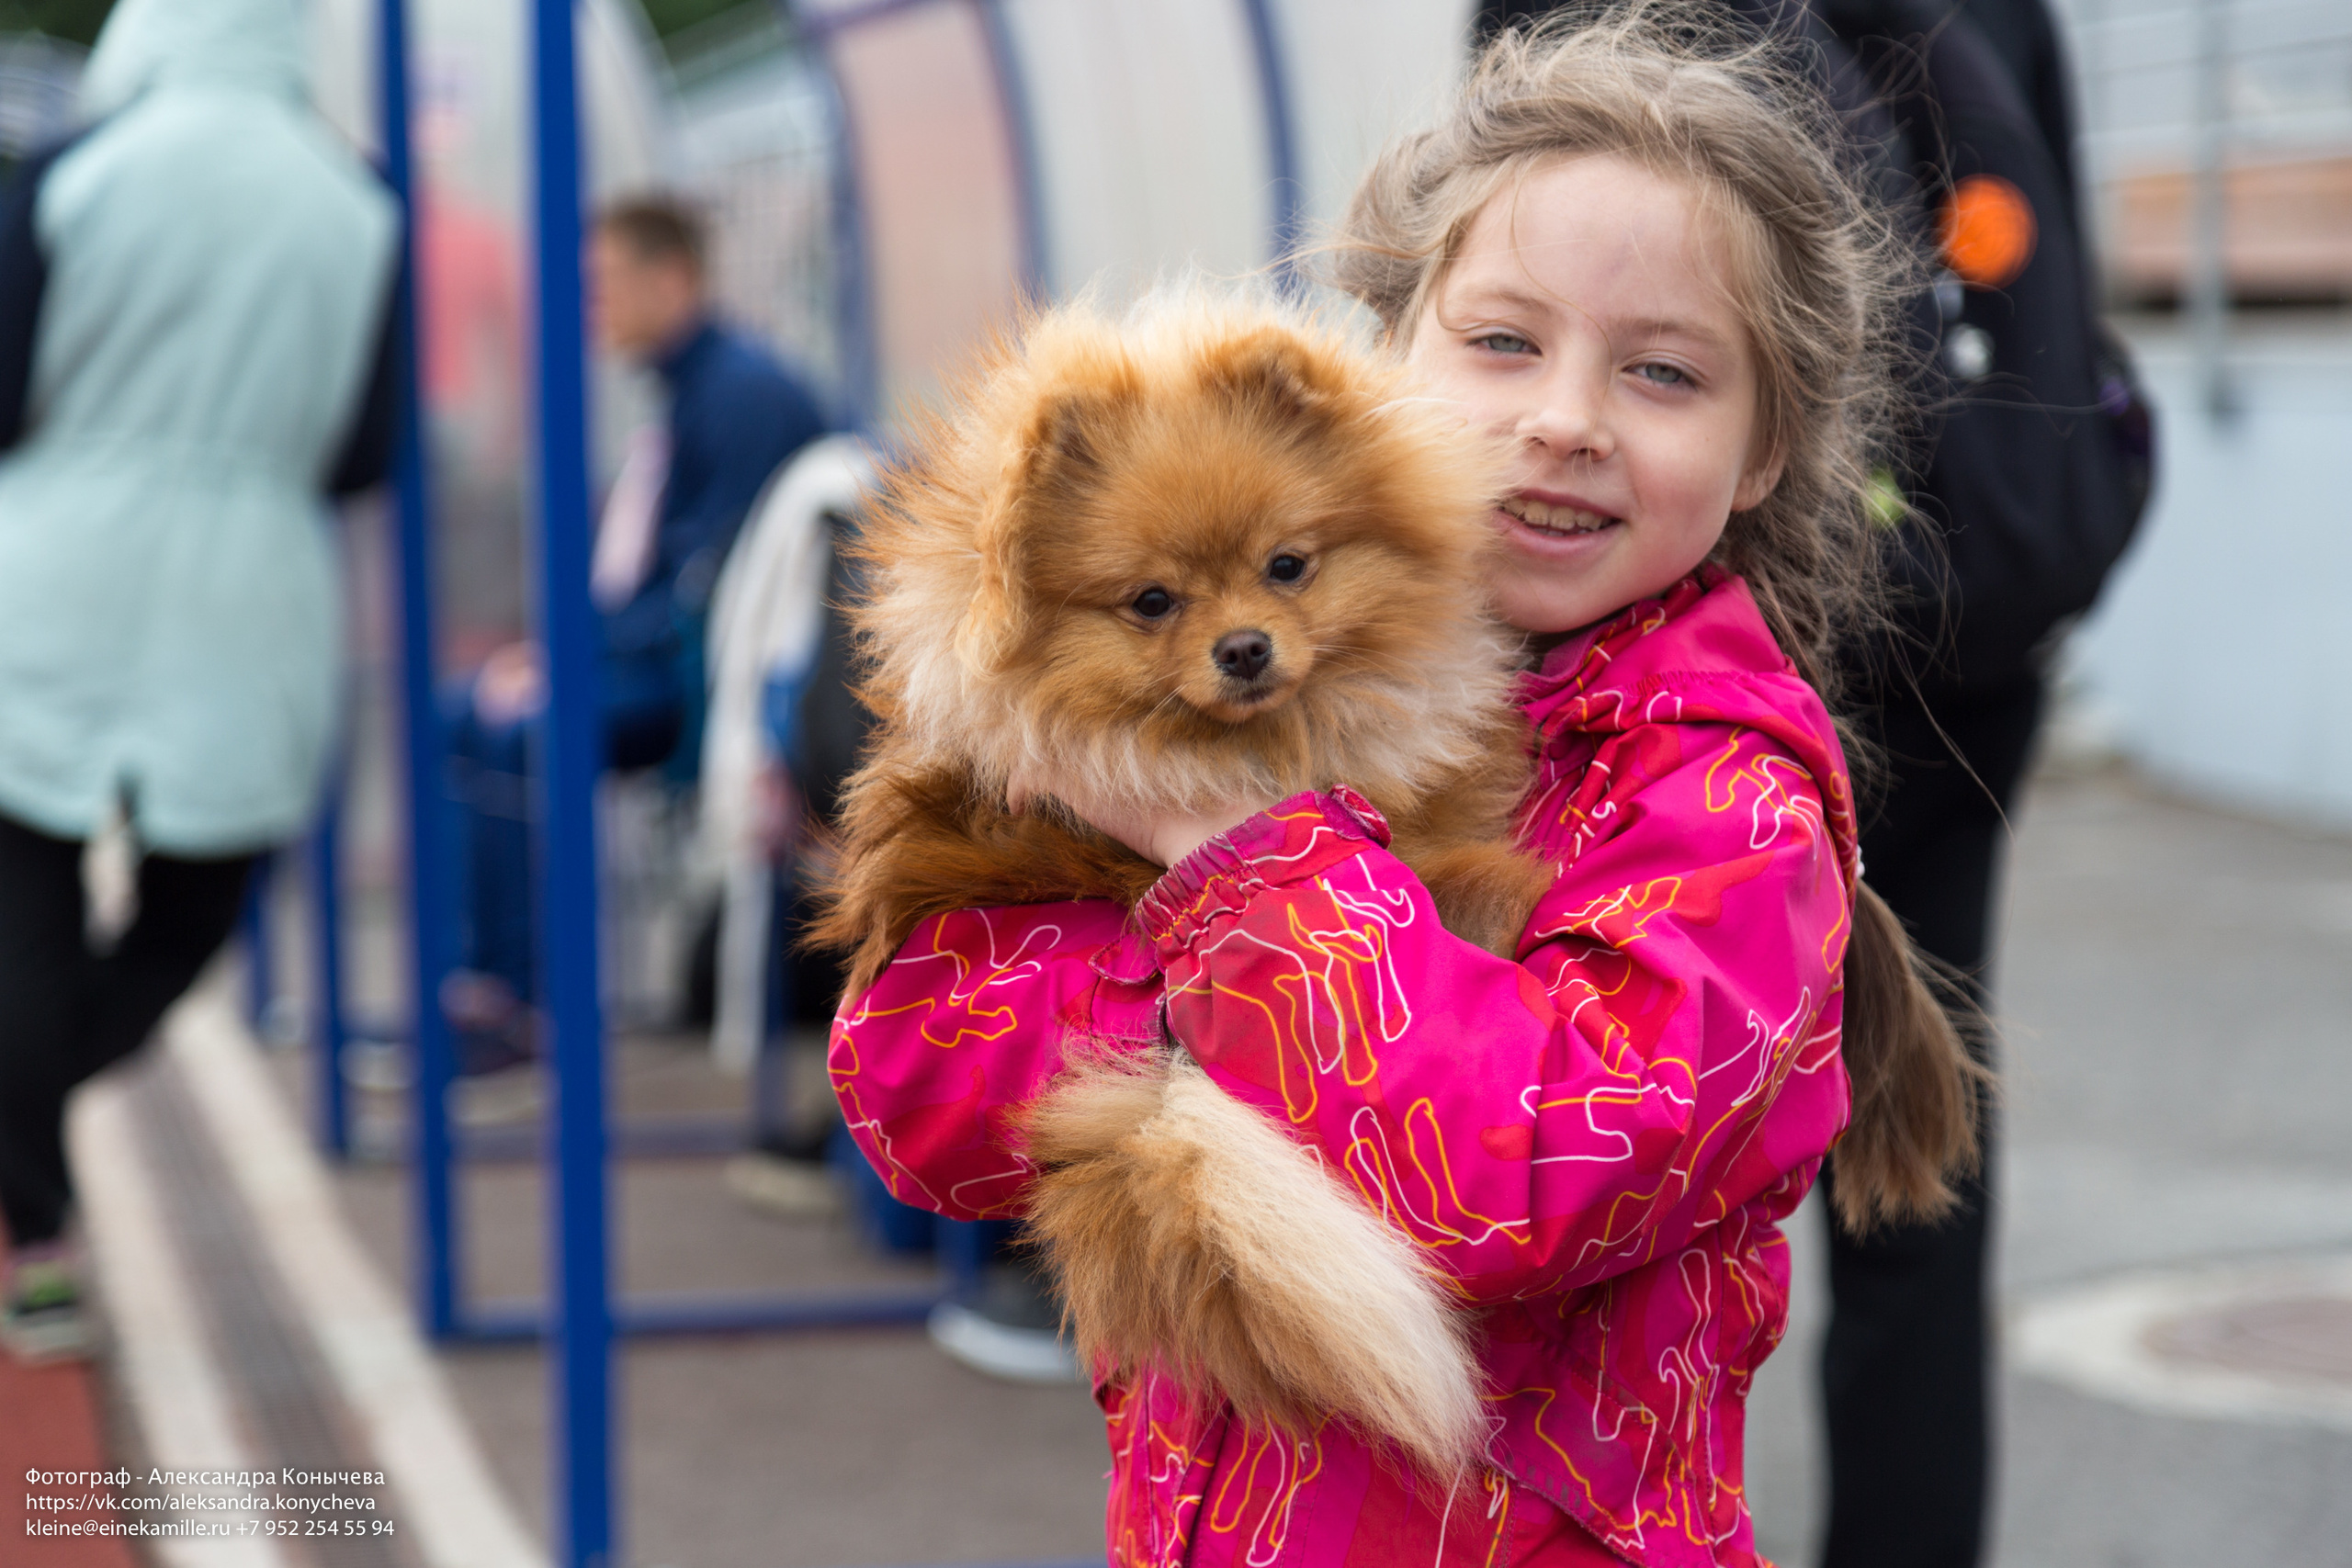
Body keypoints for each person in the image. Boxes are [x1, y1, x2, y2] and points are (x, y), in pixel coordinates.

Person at [830, 11, 1984, 1563]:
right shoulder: (1247, 705)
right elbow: (920, 1100)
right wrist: (1169, 969)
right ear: (1384, 365)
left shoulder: (1728, 807)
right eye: (1503, 342)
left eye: (1662, 372)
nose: (1566, 418)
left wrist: (1226, 862)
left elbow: (1519, 1167)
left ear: (1767, 446)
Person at [0, 0, 400, 1361]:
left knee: (19, 925)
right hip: (251, 597)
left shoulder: (73, 171)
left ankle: (33, 1209)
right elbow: (361, 453)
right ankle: (36, 1215)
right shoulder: (357, 204)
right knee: (185, 923)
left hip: (47, 575)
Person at [441, 196, 830, 1067]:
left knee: (518, 728)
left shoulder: (741, 394)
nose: (591, 303)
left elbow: (709, 597)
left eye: (604, 282)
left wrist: (567, 665)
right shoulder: (692, 387)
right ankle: (482, 987)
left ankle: (521, 1008)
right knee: (460, 710)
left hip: (718, 692)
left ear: (673, 279)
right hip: (675, 664)